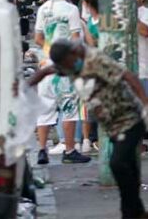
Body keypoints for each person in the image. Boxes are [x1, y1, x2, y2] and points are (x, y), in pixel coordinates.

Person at [28, 39, 148, 219]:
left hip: (129, 120)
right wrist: (24, 86)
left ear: (74, 54)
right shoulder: (69, 65)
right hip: (113, 125)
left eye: (68, 63)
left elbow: (128, 76)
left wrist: (146, 104)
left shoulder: (96, 61)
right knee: (128, 170)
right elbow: (46, 71)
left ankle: (131, 212)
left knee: (118, 163)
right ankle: (136, 211)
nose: (68, 68)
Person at [34, 0, 91, 165]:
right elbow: (75, 40)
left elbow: (38, 38)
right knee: (69, 108)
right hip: (65, 69)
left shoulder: (43, 9)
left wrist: (51, 51)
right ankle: (69, 149)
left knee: (45, 108)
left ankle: (42, 150)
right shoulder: (71, 10)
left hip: (46, 66)